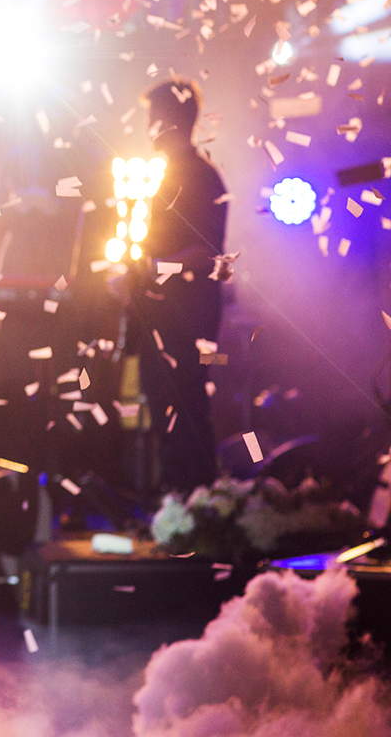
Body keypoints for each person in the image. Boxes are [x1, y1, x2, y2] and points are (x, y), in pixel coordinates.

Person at [135, 77, 229, 493]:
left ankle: (194, 512)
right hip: (164, 317)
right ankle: (180, 511)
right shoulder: (173, 176)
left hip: (185, 322)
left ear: (174, 121)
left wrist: (151, 270)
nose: (148, 128)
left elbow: (204, 254)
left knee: (184, 412)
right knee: (168, 412)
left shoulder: (201, 179)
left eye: (155, 118)